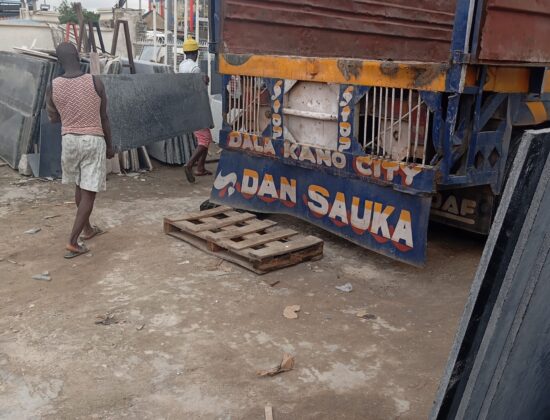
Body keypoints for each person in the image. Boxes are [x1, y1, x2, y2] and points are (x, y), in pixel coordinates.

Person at [46, 42, 115, 258]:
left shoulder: (53, 86)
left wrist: (69, 115)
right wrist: (110, 146)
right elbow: (104, 117)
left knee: (79, 185)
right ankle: (73, 242)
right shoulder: (94, 82)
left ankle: (87, 229)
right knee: (89, 193)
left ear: (59, 61)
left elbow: (53, 118)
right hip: (92, 139)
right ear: (78, 56)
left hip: (69, 141)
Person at [179, 37, 213, 183]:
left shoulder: (182, 65)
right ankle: (190, 164)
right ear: (196, 52)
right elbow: (198, 89)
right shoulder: (195, 68)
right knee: (205, 139)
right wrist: (204, 80)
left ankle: (200, 167)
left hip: (187, 105)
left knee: (204, 138)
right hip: (196, 106)